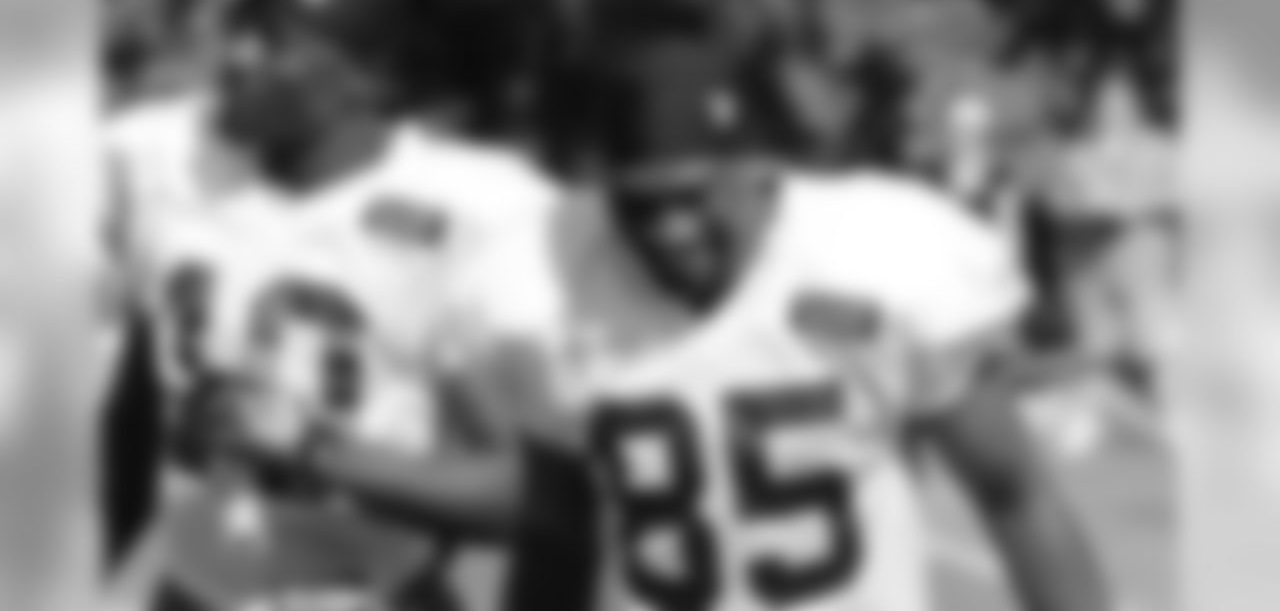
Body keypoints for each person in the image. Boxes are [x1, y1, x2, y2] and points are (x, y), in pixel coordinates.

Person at [227, 32, 1112, 611]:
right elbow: (560, 525)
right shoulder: (544, 278)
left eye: (693, 199)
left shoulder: (880, 254)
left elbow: (1016, 493)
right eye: (639, 205)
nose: (669, 230)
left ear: (754, 170)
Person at [100, 0, 558, 611]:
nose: (238, 57)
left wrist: (318, 452)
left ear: (363, 82)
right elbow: (138, 394)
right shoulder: (156, 158)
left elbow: (538, 492)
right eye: (238, 28)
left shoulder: (469, 214)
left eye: (276, 41)